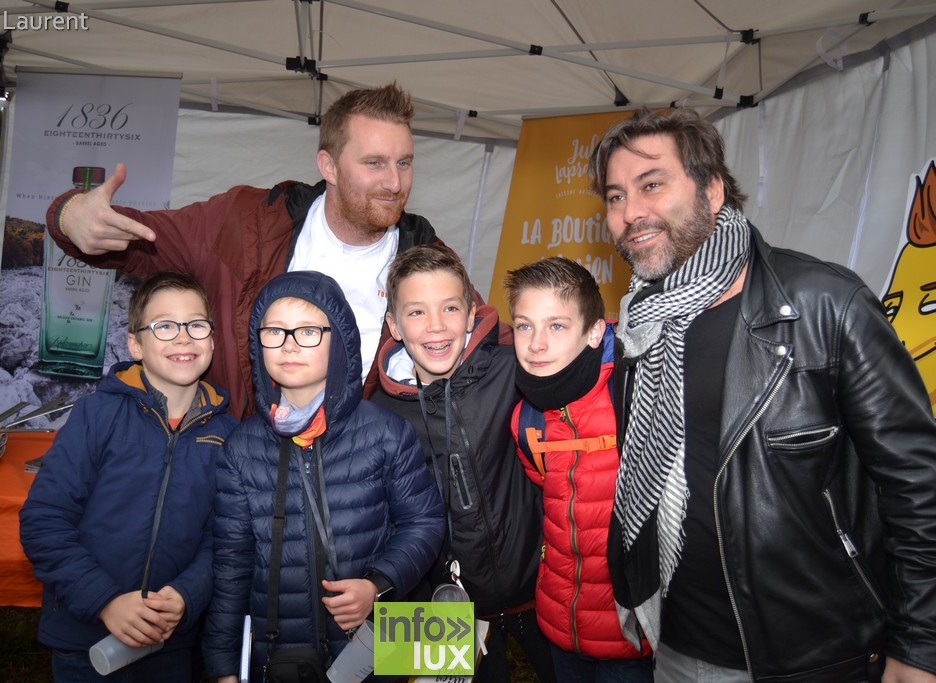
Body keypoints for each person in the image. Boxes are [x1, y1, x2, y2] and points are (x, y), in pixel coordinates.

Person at [590, 108, 936, 682]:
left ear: (713, 189)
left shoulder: (825, 305)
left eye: (652, 184)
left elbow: (919, 488)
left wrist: (921, 646)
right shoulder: (640, 326)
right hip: (674, 649)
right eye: (615, 196)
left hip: (814, 660)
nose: (631, 213)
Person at [45, 82, 491, 420]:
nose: (394, 183)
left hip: (356, 489)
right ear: (329, 166)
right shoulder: (249, 221)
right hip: (242, 468)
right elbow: (141, 240)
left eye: (404, 163)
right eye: (374, 163)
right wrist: (70, 215)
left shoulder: (424, 254)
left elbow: (487, 340)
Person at [202, 270, 445, 681]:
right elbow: (231, 565)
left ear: (341, 342)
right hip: (278, 654)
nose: (289, 345)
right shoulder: (240, 450)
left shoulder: (385, 433)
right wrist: (225, 666)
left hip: (376, 648)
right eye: (274, 331)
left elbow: (424, 521)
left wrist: (378, 583)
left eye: (309, 332)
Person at [20, 271, 238, 682]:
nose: (183, 337)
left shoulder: (230, 435)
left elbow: (225, 538)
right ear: (135, 344)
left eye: (196, 324)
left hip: (170, 640)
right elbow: (44, 521)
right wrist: (103, 601)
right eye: (164, 326)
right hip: (86, 640)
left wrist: (187, 595)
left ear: (211, 339)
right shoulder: (96, 417)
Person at [371, 244, 556, 683]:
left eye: (450, 308)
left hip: (542, 589)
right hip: (443, 603)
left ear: (471, 314)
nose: (436, 326)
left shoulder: (515, 370)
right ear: (394, 325)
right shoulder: (379, 413)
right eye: (416, 313)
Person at [502, 257, 653, 682]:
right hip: (559, 628)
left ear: (594, 332)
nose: (536, 344)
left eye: (556, 326)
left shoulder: (635, 400)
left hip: (633, 640)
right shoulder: (526, 419)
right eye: (524, 325)